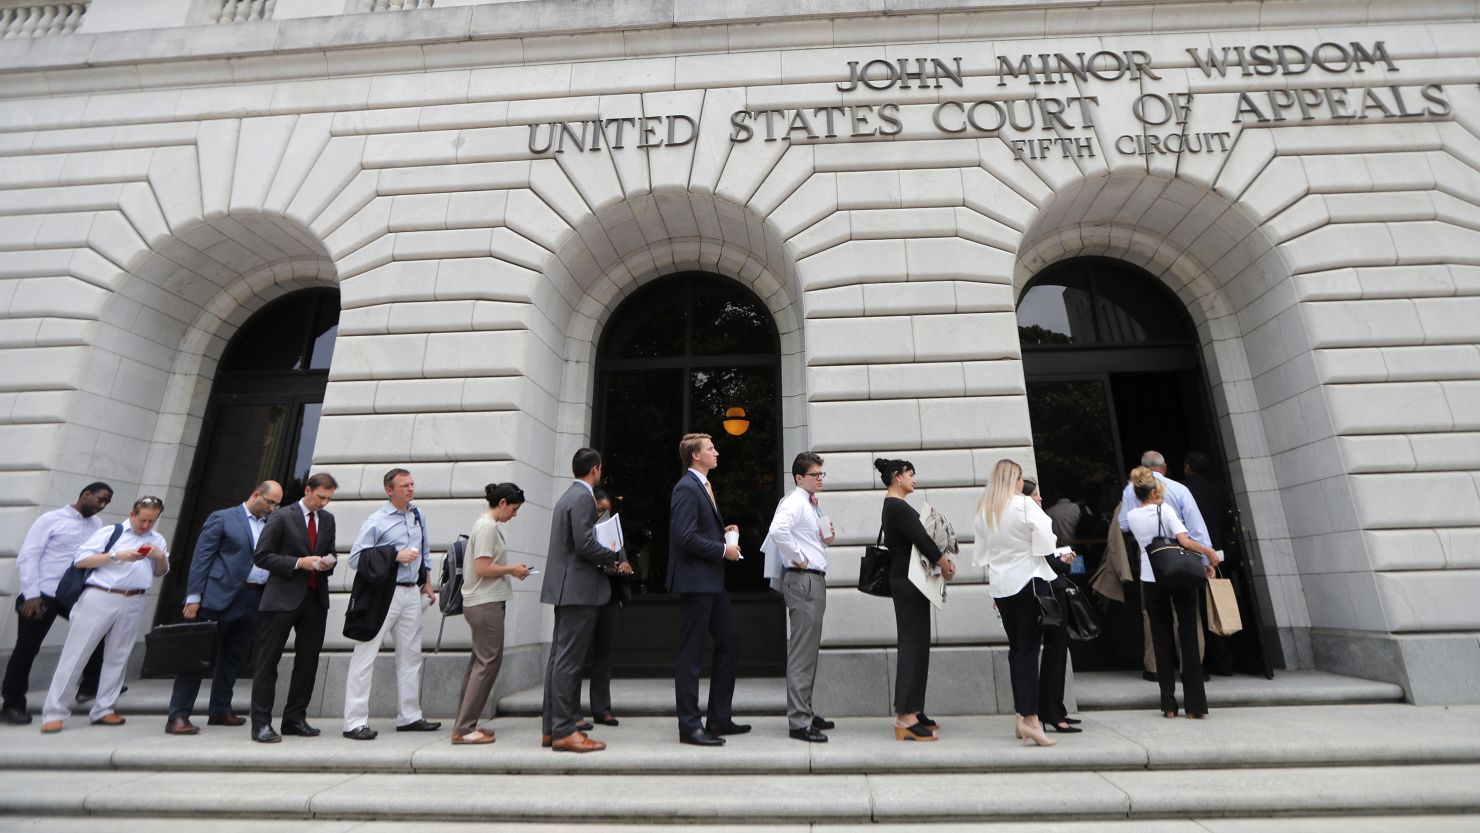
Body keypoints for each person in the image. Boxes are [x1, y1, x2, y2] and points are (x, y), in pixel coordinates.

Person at [39, 496, 170, 733]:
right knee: (76, 653)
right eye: (143, 520)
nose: (146, 525)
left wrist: (159, 557)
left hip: (134, 598)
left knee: (118, 656)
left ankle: (105, 708)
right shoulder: (113, 532)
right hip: (101, 594)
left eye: (152, 521)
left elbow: (161, 572)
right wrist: (116, 555)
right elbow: (80, 560)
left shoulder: (157, 539)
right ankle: (54, 712)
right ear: (132, 514)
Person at [166, 480, 283, 735]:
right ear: (255, 495)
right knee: (196, 657)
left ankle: (220, 709)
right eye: (270, 502)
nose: (273, 509)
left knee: (233, 657)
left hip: (253, 598)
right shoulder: (223, 518)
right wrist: (193, 597)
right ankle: (178, 715)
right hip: (217, 598)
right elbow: (202, 557)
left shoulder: (271, 524)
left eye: (277, 504)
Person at [341, 468, 441, 740]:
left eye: (412, 484)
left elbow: (426, 552)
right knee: (365, 655)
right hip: (383, 594)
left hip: (411, 593)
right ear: (389, 490)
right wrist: (394, 555)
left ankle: (410, 716)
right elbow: (355, 559)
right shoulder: (377, 520)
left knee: (410, 656)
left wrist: (427, 582)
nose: (410, 489)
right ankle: (354, 721)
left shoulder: (417, 515)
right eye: (404, 485)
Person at [2, 482, 114, 725]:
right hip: (41, 594)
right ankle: (11, 704)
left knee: (96, 631)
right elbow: (29, 555)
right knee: (27, 648)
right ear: (85, 494)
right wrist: (31, 594)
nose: (101, 506)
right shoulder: (51, 520)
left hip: (71, 595)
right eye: (99, 499)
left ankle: (90, 685)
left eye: (106, 503)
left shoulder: (97, 525)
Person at [972, 462, 1063, 747]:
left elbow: (981, 552)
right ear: (1016, 479)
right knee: (1027, 651)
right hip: (1028, 580)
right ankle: (1031, 720)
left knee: (1016, 650)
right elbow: (1047, 540)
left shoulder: (986, 509)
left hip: (1001, 586)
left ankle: (1020, 717)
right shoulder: (1024, 505)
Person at [541, 448, 625, 753]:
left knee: (559, 660)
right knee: (568, 662)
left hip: (568, 588)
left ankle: (552, 728)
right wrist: (613, 557)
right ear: (596, 470)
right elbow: (586, 543)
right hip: (578, 589)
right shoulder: (582, 498)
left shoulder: (567, 496)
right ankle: (564, 730)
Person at [669, 433, 747, 747]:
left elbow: (698, 529)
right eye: (711, 449)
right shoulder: (686, 487)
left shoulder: (703, 486)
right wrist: (721, 550)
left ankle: (718, 718)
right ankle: (689, 726)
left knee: (730, 640)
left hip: (711, 583)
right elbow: (684, 537)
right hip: (696, 582)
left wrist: (722, 530)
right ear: (696, 456)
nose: (716, 452)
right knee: (690, 654)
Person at [1126, 466, 1222, 719]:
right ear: (1157, 491)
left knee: (1161, 638)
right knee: (1187, 632)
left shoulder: (1134, 516)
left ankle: (1168, 704)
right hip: (1178, 574)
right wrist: (1209, 555)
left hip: (1150, 576)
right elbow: (1185, 540)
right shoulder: (1164, 509)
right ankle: (1194, 705)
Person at [249, 473, 338, 744]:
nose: (324, 503)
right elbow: (262, 556)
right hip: (281, 598)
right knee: (268, 662)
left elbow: (330, 550)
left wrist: (329, 562)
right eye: (321, 497)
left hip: (315, 597)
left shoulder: (328, 520)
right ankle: (261, 723)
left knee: (307, 662)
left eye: (329, 499)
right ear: (308, 490)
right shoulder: (281, 516)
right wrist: (299, 563)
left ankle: (295, 718)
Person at [875, 458, 955, 742]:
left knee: (918, 643)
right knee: (912, 643)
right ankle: (905, 717)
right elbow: (922, 538)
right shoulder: (896, 506)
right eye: (910, 473)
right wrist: (943, 562)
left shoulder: (895, 506)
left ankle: (914, 709)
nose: (914, 478)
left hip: (909, 582)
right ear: (897, 477)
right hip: (907, 582)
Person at [450, 482, 532, 745]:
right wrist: (511, 570)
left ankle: (465, 724)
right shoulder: (487, 527)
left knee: (479, 663)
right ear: (503, 503)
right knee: (487, 663)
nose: (514, 515)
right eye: (514, 509)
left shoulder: (486, 525)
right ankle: (464, 729)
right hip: (485, 602)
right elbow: (483, 568)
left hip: (482, 602)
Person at [763, 451, 836, 743]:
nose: (820, 479)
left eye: (821, 474)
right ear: (799, 478)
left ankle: (805, 710)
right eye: (815, 475)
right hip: (804, 580)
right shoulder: (794, 502)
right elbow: (777, 530)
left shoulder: (810, 503)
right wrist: (799, 558)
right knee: (802, 653)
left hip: (812, 580)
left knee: (808, 651)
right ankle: (799, 721)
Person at [1118, 450, 1210, 680]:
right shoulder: (1179, 490)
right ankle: (1192, 666)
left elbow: (1122, 524)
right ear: (1164, 467)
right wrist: (1207, 559)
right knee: (1188, 616)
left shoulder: (1130, 491)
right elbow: (1195, 530)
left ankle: (1155, 667)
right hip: (1182, 560)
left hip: (1150, 563)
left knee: (1153, 617)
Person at [1024, 479, 1080, 735]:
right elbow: (1048, 560)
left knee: (1056, 650)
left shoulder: (1030, 519)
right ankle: (1052, 711)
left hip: (1045, 587)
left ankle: (1056, 708)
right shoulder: (1034, 521)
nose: (1040, 499)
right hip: (1049, 589)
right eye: (1036, 495)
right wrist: (1065, 562)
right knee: (1055, 650)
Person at [1182, 451, 1235, 676]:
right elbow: (1228, 521)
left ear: (1187, 468)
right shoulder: (1219, 489)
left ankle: (1204, 663)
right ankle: (1225, 661)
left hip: (1194, 554)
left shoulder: (1182, 489)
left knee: (1199, 610)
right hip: (1219, 555)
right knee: (1220, 605)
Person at [585, 486, 627, 728]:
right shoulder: (584, 529)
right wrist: (606, 565)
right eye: (600, 510)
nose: (603, 514)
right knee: (577, 655)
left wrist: (624, 564)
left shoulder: (613, 528)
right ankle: (570, 712)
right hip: (588, 595)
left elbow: (621, 555)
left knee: (604, 653)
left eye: (607, 511)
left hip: (610, 596)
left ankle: (602, 709)